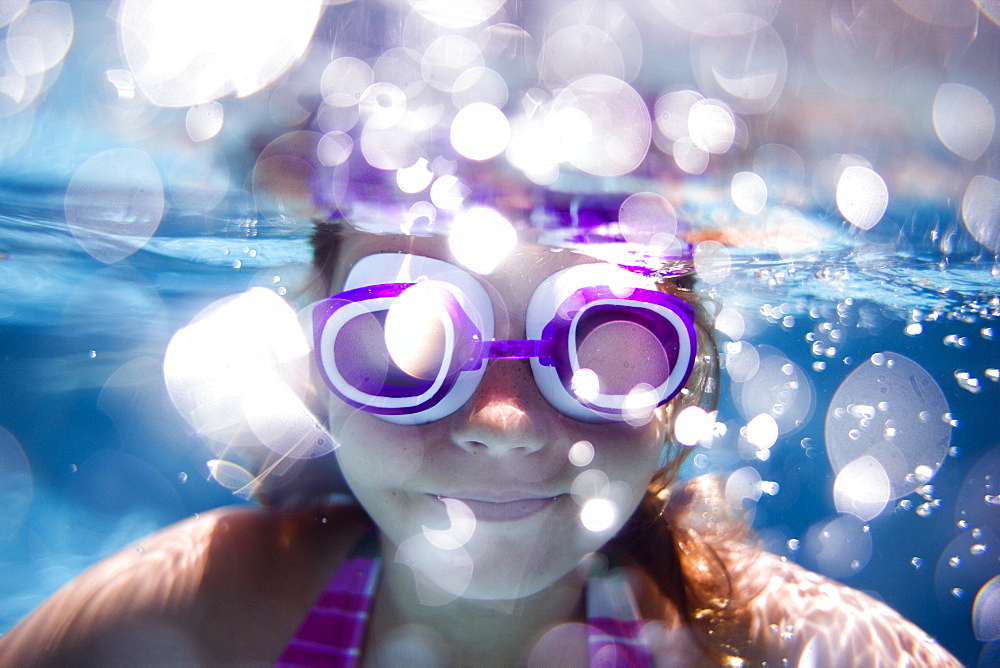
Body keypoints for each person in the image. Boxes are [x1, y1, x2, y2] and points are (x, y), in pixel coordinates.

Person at [0, 182, 961, 666]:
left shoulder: (774, 644)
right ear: (323, 377)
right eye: (406, 346)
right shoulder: (194, 615)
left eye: (600, 345)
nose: (502, 422)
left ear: (679, 387)